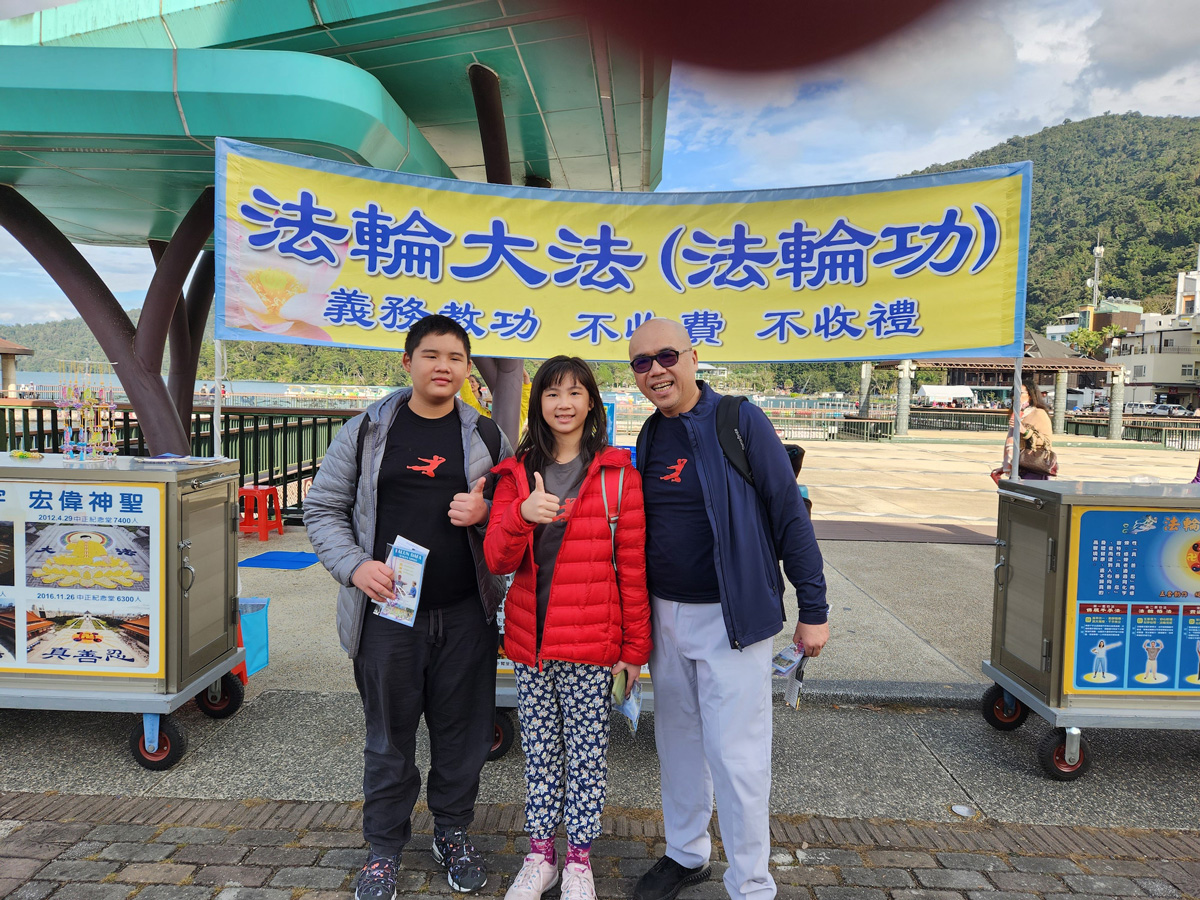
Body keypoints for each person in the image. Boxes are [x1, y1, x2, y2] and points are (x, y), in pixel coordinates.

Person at [303, 315, 513, 900]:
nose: (443, 366)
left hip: (466, 615)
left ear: (467, 368)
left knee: (463, 738)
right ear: (407, 362)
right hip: (387, 617)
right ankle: (383, 851)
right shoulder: (368, 430)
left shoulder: (487, 436)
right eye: (430, 355)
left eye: (455, 357)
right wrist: (354, 566)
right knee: (388, 741)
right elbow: (322, 508)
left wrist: (487, 515)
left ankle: (452, 833)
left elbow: (516, 518)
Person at [626, 318, 829, 900]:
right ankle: (686, 852)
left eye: (666, 356)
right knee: (679, 744)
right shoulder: (650, 433)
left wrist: (813, 607)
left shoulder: (740, 420)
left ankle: (751, 882)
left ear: (693, 357)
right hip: (665, 615)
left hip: (732, 616)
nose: (655, 370)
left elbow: (789, 513)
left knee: (737, 755)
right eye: (641, 362)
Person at [483, 356, 651, 900]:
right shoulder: (514, 473)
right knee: (540, 754)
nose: (564, 403)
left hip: (591, 647)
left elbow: (633, 571)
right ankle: (541, 857)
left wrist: (635, 650)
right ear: (538, 403)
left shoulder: (618, 477)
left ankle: (579, 860)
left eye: (575, 392)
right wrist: (520, 516)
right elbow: (497, 559)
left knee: (586, 756)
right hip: (530, 646)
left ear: (591, 403)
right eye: (552, 392)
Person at [1002, 378, 1054, 480]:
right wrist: (1006, 466)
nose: (1015, 396)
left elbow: (1047, 441)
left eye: (1020, 393)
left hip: (1033, 466)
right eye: (1013, 393)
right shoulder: (1018, 414)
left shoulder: (1039, 413)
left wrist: (1025, 431)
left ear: (1030, 395)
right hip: (1018, 466)